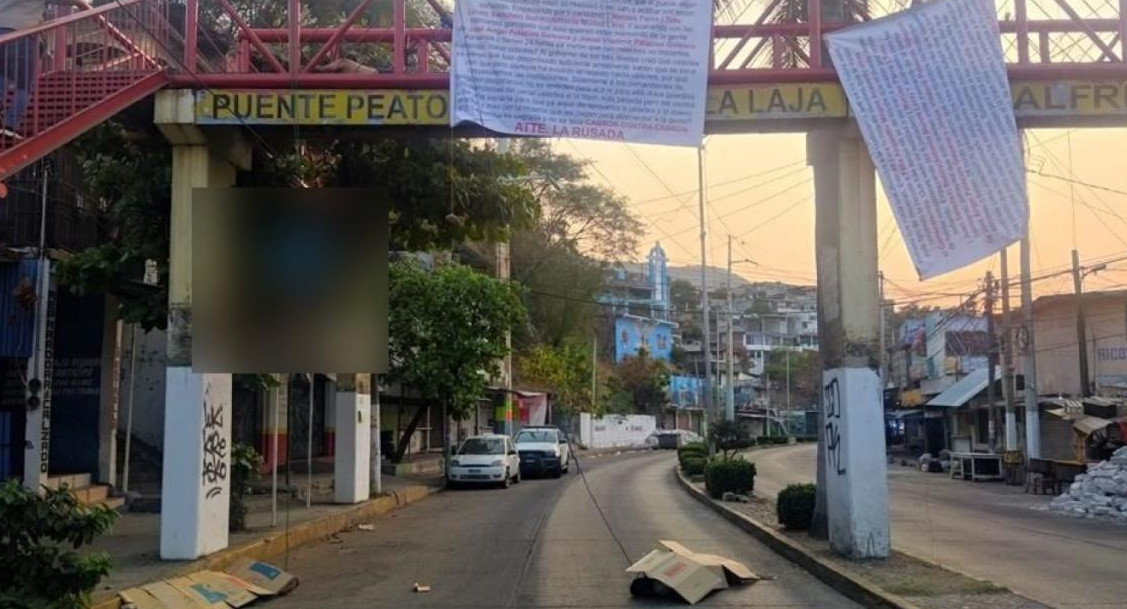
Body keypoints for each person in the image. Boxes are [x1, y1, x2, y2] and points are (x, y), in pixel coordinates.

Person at [0, 0, 86, 138]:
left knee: (3, 75)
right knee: (25, 85)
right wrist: (81, 4)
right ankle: (10, 125)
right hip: (21, 32)